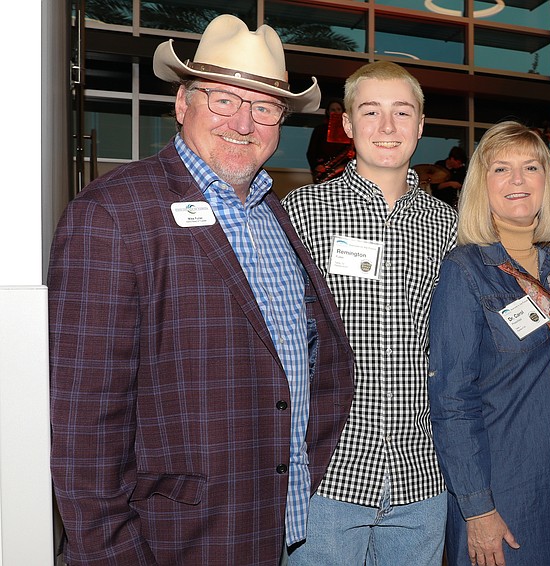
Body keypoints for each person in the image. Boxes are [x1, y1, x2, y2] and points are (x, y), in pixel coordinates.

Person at [48, 14, 355, 565]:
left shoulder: (273, 214)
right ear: (182, 103)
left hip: (267, 526)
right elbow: (83, 422)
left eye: (264, 107)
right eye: (222, 100)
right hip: (168, 539)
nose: (244, 122)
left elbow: (301, 360)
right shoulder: (113, 213)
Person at [282, 60, 457, 566]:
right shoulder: (302, 212)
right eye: (371, 111)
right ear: (348, 125)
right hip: (328, 479)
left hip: (422, 479)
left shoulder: (448, 226)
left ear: (421, 127)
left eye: (402, 113)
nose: (387, 127)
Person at [428, 121, 550, 566]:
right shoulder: (465, 271)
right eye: (501, 169)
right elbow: (452, 402)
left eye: (530, 167)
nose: (517, 180)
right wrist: (478, 508)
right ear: (483, 184)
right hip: (505, 495)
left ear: (547, 181)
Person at [306, 98, 354, 183]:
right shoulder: (320, 129)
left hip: (344, 172)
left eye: (339, 109)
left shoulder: (349, 130)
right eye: (333, 110)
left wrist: (353, 153)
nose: (336, 112)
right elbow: (311, 152)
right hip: (324, 170)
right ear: (328, 112)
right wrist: (316, 166)